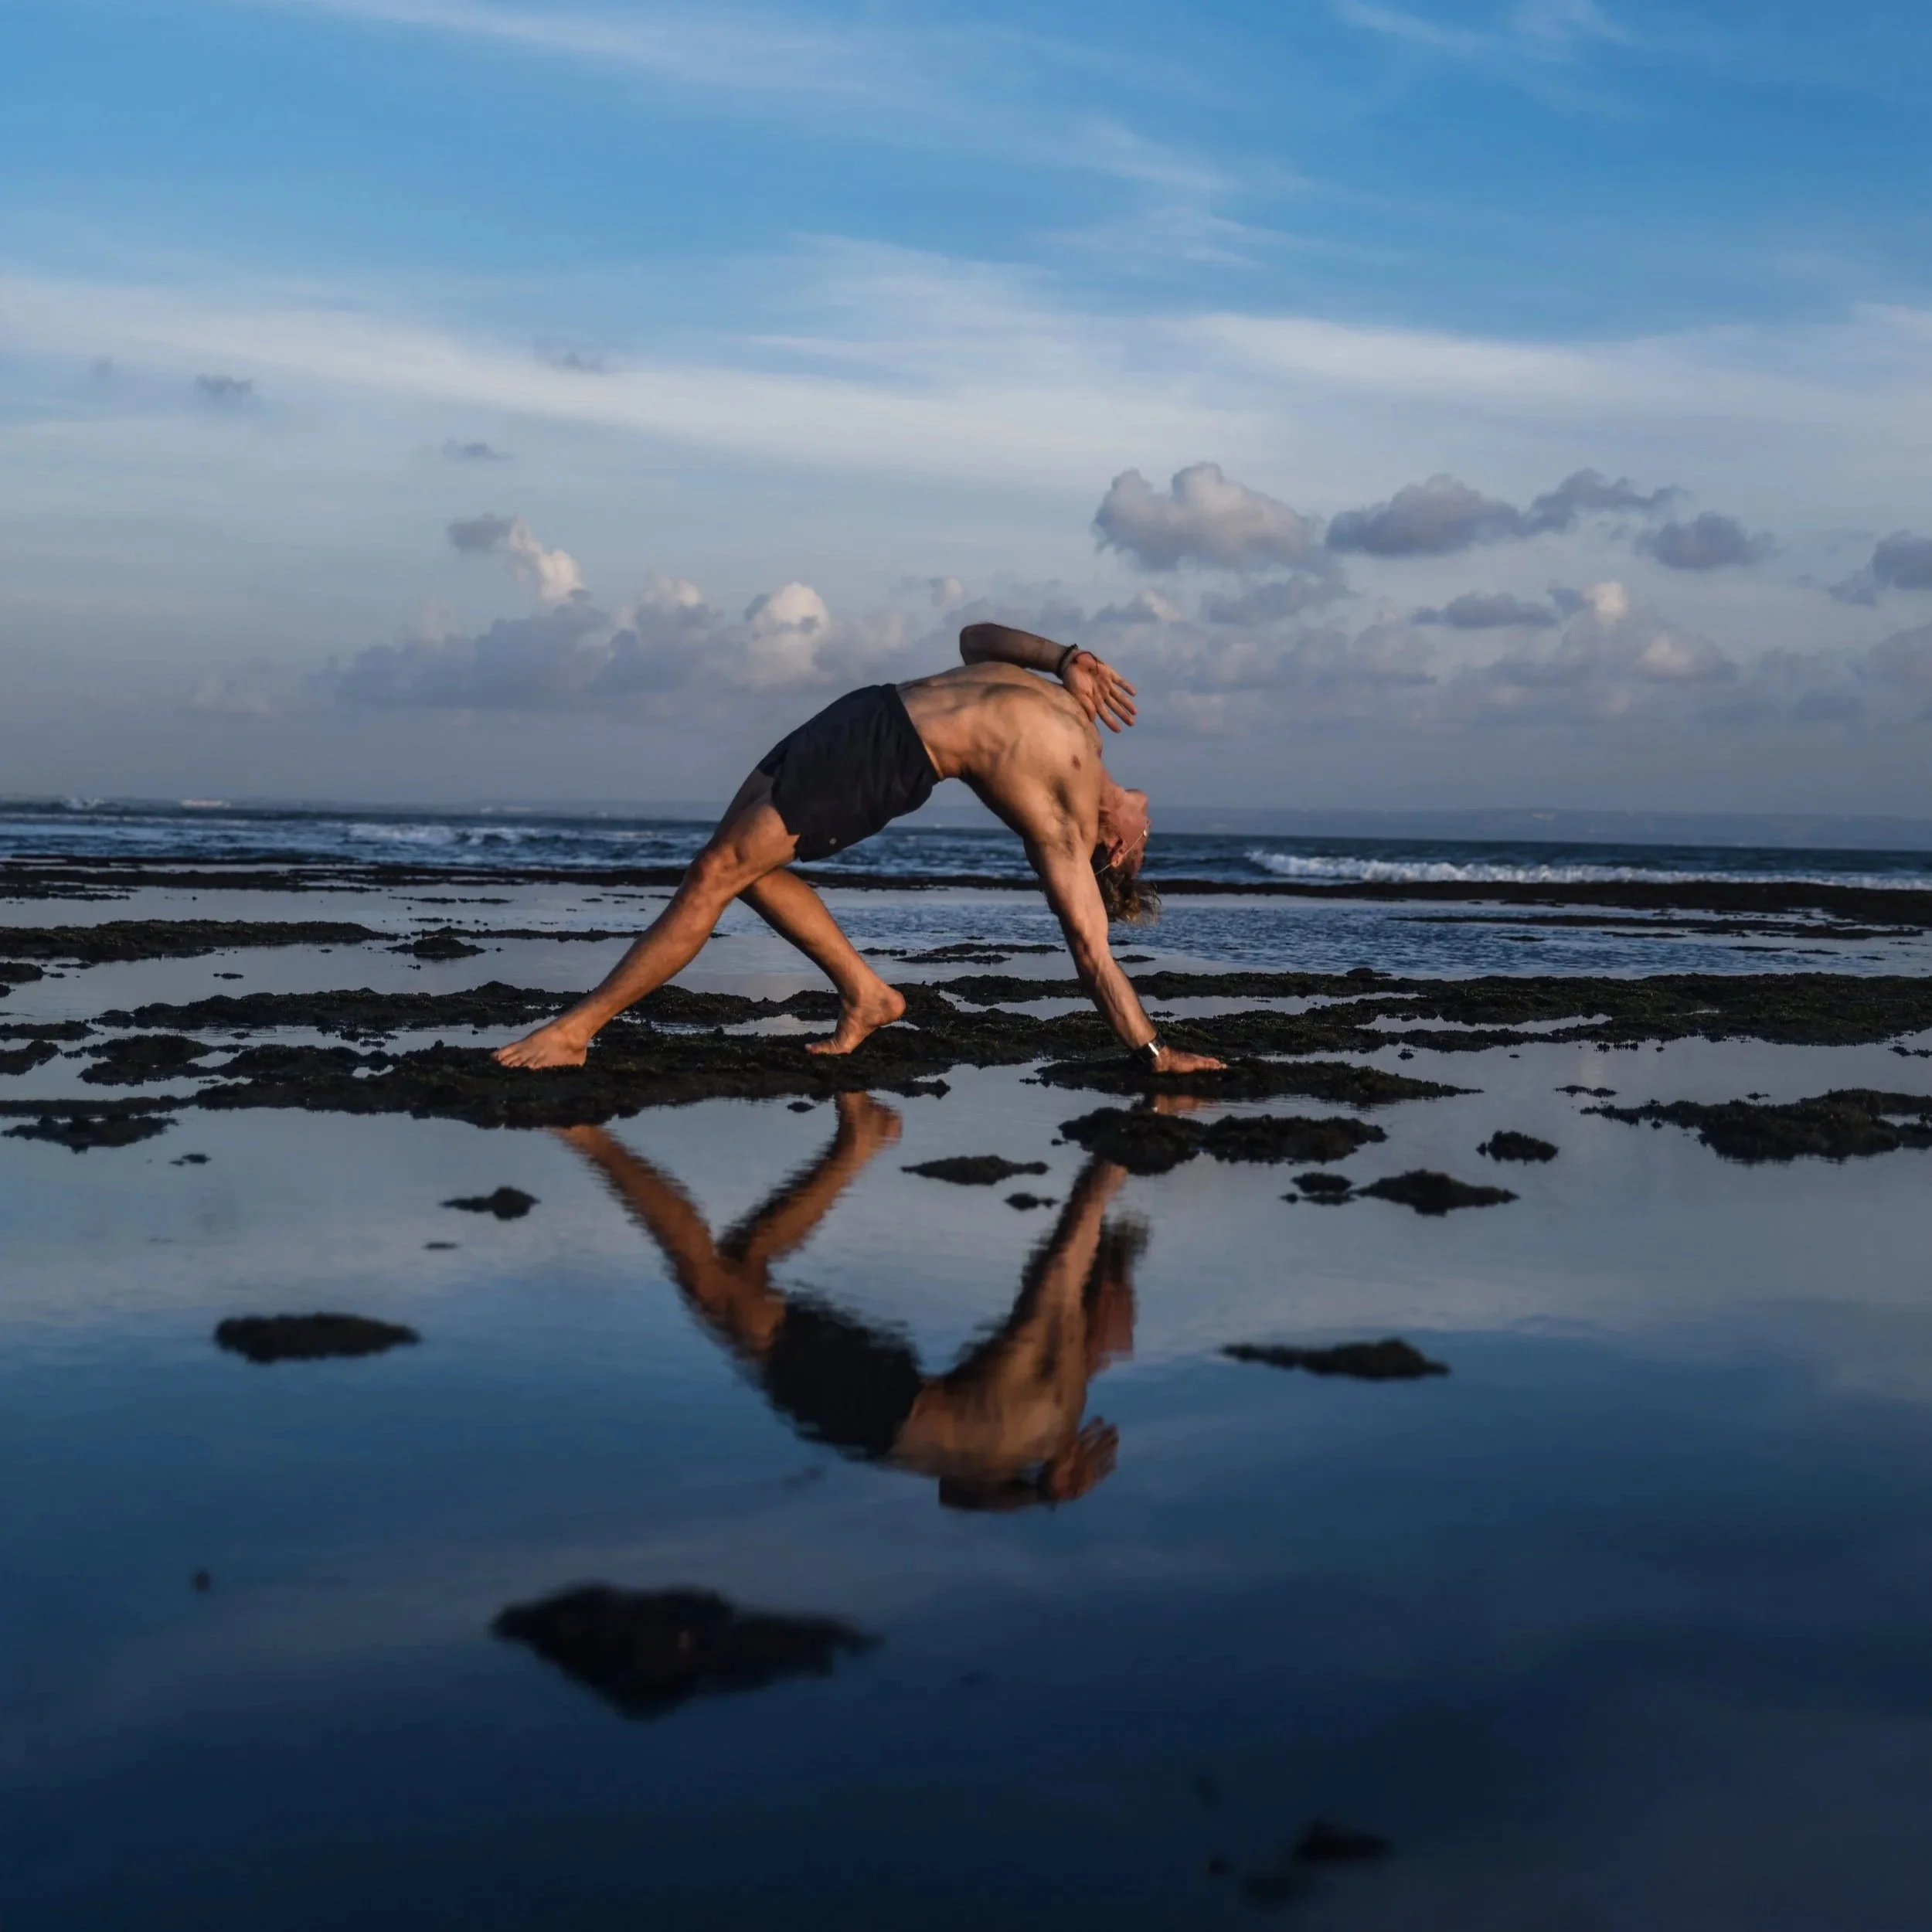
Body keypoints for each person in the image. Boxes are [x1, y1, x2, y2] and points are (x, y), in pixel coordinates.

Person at [495, 623, 1224, 1075]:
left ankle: (577, 1031)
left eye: (1137, 852)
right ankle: (867, 995)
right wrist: (1066, 653)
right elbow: (973, 640)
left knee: (714, 874)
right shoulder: (1079, 710)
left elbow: (1090, 950)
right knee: (733, 865)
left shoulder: (1066, 815)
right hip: (865, 711)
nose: (1146, 833)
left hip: (887, 757)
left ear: (1110, 846)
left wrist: (1154, 1055)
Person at [555, 1094, 1140, 1510]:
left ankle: (854, 1146)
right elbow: (954, 1496)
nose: (1119, 1330)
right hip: (878, 1414)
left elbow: (1071, 1252)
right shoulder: (1042, 1411)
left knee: (731, 1274)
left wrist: (1120, 1154)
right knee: (718, 1283)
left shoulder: (1057, 1404)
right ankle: (588, 1134)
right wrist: (1040, 1493)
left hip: (883, 1406)